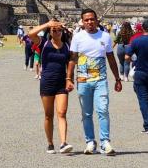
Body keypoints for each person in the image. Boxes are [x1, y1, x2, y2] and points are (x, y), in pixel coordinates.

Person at [67, 9, 122, 155]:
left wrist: (117, 78)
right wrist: (68, 78)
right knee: (86, 113)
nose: (89, 22)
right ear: (82, 22)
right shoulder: (77, 37)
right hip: (83, 80)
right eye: (86, 20)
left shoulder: (105, 36)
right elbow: (72, 59)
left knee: (103, 110)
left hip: (100, 80)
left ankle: (105, 142)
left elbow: (111, 58)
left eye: (92, 19)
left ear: (97, 20)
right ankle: (90, 141)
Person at [30, 20, 74, 154]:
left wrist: (69, 80)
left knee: (62, 113)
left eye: (59, 30)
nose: (57, 32)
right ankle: (50, 143)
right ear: (50, 32)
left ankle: (63, 143)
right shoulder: (43, 43)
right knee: (48, 115)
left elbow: (70, 64)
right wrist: (47, 24)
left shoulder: (67, 45)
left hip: (61, 82)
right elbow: (31, 34)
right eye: (54, 30)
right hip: (47, 82)